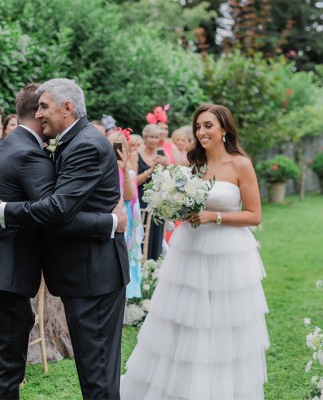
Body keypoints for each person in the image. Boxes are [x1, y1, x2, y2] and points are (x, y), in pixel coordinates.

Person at [0, 79, 129, 399]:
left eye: (44, 107)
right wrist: (111, 221)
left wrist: (4, 210)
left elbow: (57, 211)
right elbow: (55, 207)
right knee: (89, 367)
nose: (39, 114)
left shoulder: (84, 144)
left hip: (93, 273)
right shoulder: (58, 144)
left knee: (97, 370)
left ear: (67, 108)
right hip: (68, 273)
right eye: (37, 107)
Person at [121, 104, 269, 399]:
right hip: (190, 249)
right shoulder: (192, 165)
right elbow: (182, 203)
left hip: (228, 253)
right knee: (185, 320)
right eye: (198, 126)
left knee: (223, 323)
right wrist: (175, 206)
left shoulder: (241, 164)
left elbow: (254, 215)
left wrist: (214, 217)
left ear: (224, 129)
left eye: (208, 126)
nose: (201, 132)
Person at [108, 130, 143, 299]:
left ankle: (129, 294)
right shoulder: (102, 169)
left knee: (126, 255)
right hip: (108, 216)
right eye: (115, 146)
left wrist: (124, 168)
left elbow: (129, 196)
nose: (118, 151)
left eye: (122, 147)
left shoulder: (129, 172)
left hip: (125, 217)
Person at [136, 123, 169, 261]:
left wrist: (166, 166)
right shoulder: (136, 155)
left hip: (157, 205)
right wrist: (150, 171)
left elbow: (168, 180)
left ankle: (153, 273)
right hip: (141, 203)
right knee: (141, 239)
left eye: (156, 137)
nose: (154, 140)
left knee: (156, 239)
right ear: (145, 137)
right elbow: (133, 182)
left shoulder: (163, 155)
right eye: (151, 137)